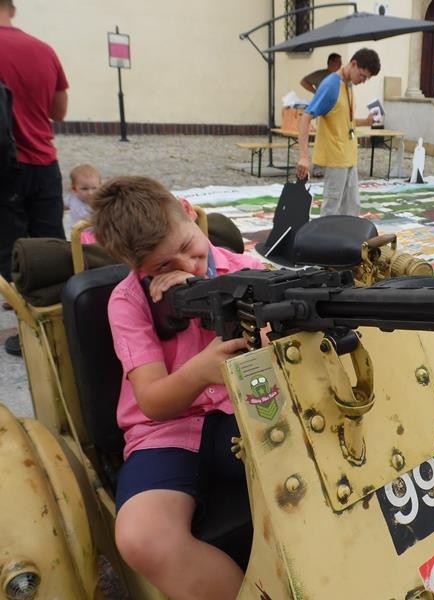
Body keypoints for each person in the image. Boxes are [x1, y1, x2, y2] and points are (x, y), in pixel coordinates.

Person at [90, 176, 263, 600]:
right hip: (164, 432)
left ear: (189, 211)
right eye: (163, 267)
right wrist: (200, 371)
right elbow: (152, 402)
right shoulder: (129, 301)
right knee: (141, 537)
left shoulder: (249, 274)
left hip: (241, 413)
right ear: (140, 270)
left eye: (187, 247)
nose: (188, 266)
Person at [0, 0, 68, 356]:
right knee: (51, 246)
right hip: (44, 161)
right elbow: (59, 111)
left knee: (9, 250)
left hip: (4, 165)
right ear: (12, 8)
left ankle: (28, 332)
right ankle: (62, 327)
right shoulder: (43, 50)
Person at [296, 48, 381, 217]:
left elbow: (344, 119)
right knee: (332, 207)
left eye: (367, 78)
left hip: (349, 156)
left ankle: (347, 234)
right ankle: (326, 235)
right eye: (362, 76)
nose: (363, 81)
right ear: (354, 64)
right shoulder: (330, 85)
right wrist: (304, 156)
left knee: (352, 206)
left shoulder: (348, 84)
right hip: (335, 158)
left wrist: (366, 122)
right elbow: (305, 118)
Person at [65, 163, 101, 230]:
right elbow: (60, 207)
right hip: (76, 231)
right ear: (74, 189)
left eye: (94, 188)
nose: (90, 193)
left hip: (93, 232)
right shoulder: (71, 198)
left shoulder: (100, 201)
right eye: (84, 189)